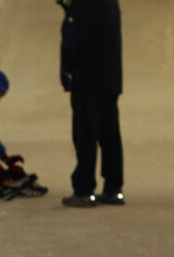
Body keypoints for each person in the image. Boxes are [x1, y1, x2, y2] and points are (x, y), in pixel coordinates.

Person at [58, 0, 125, 207]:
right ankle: (113, 188)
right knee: (109, 135)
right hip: (109, 79)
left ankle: (84, 190)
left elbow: (76, 39)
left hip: (87, 80)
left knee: (85, 135)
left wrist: (68, 70)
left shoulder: (85, 3)